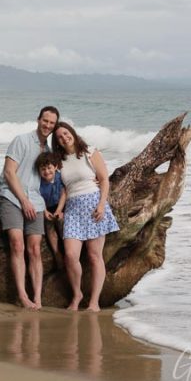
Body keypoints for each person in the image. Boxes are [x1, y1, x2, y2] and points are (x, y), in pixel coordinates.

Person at [52, 122, 120, 311]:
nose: (64, 138)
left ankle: (94, 302)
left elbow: (104, 179)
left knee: (94, 255)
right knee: (71, 255)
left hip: (93, 204)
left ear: (72, 132)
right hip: (73, 209)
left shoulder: (90, 151)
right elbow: (66, 189)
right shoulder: (60, 161)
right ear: (56, 141)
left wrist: (101, 205)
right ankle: (77, 295)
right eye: (59, 137)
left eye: (66, 133)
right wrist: (59, 209)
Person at [0, 105, 59, 309]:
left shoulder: (49, 151)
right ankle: (23, 297)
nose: (48, 125)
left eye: (51, 123)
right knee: (17, 244)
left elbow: (50, 180)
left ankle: (38, 298)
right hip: (13, 197)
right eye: (45, 121)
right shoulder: (21, 140)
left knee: (34, 249)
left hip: (36, 202)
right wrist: (23, 200)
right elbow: (9, 172)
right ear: (38, 120)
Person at [36, 151, 66, 270]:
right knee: (49, 227)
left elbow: (64, 193)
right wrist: (44, 211)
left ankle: (66, 248)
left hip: (61, 205)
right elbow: (37, 197)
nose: (47, 172)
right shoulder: (38, 182)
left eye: (49, 168)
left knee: (62, 221)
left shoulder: (60, 177)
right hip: (46, 207)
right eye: (43, 169)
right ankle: (56, 253)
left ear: (56, 167)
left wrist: (59, 210)